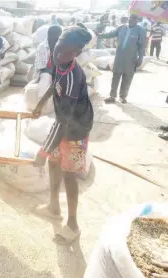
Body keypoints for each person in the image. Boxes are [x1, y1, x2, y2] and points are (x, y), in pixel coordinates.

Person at [32, 27, 93, 245]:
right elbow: (53, 86)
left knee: (69, 174)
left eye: (65, 52)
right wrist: (40, 102)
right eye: (57, 49)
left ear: (76, 53)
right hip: (63, 123)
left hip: (76, 129)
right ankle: (53, 207)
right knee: (53, 162)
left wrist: (42, 150)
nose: (58, 55)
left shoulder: (74, 77)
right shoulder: (60, 63)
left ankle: (73, 224)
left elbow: (64, 122)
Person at [100, 14, 146, 104]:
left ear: (137, 20)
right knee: (115, 76)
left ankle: (123, 97)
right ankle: (112, 96)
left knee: (127, 78)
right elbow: (111, 34)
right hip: (119, 57)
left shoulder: (140, 30)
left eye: (133, 19)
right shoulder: (121, 28)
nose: (131, 20)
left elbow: (141, 46)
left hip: (131, 59)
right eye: (130, 18)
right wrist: (100, 35)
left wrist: (140, 58)